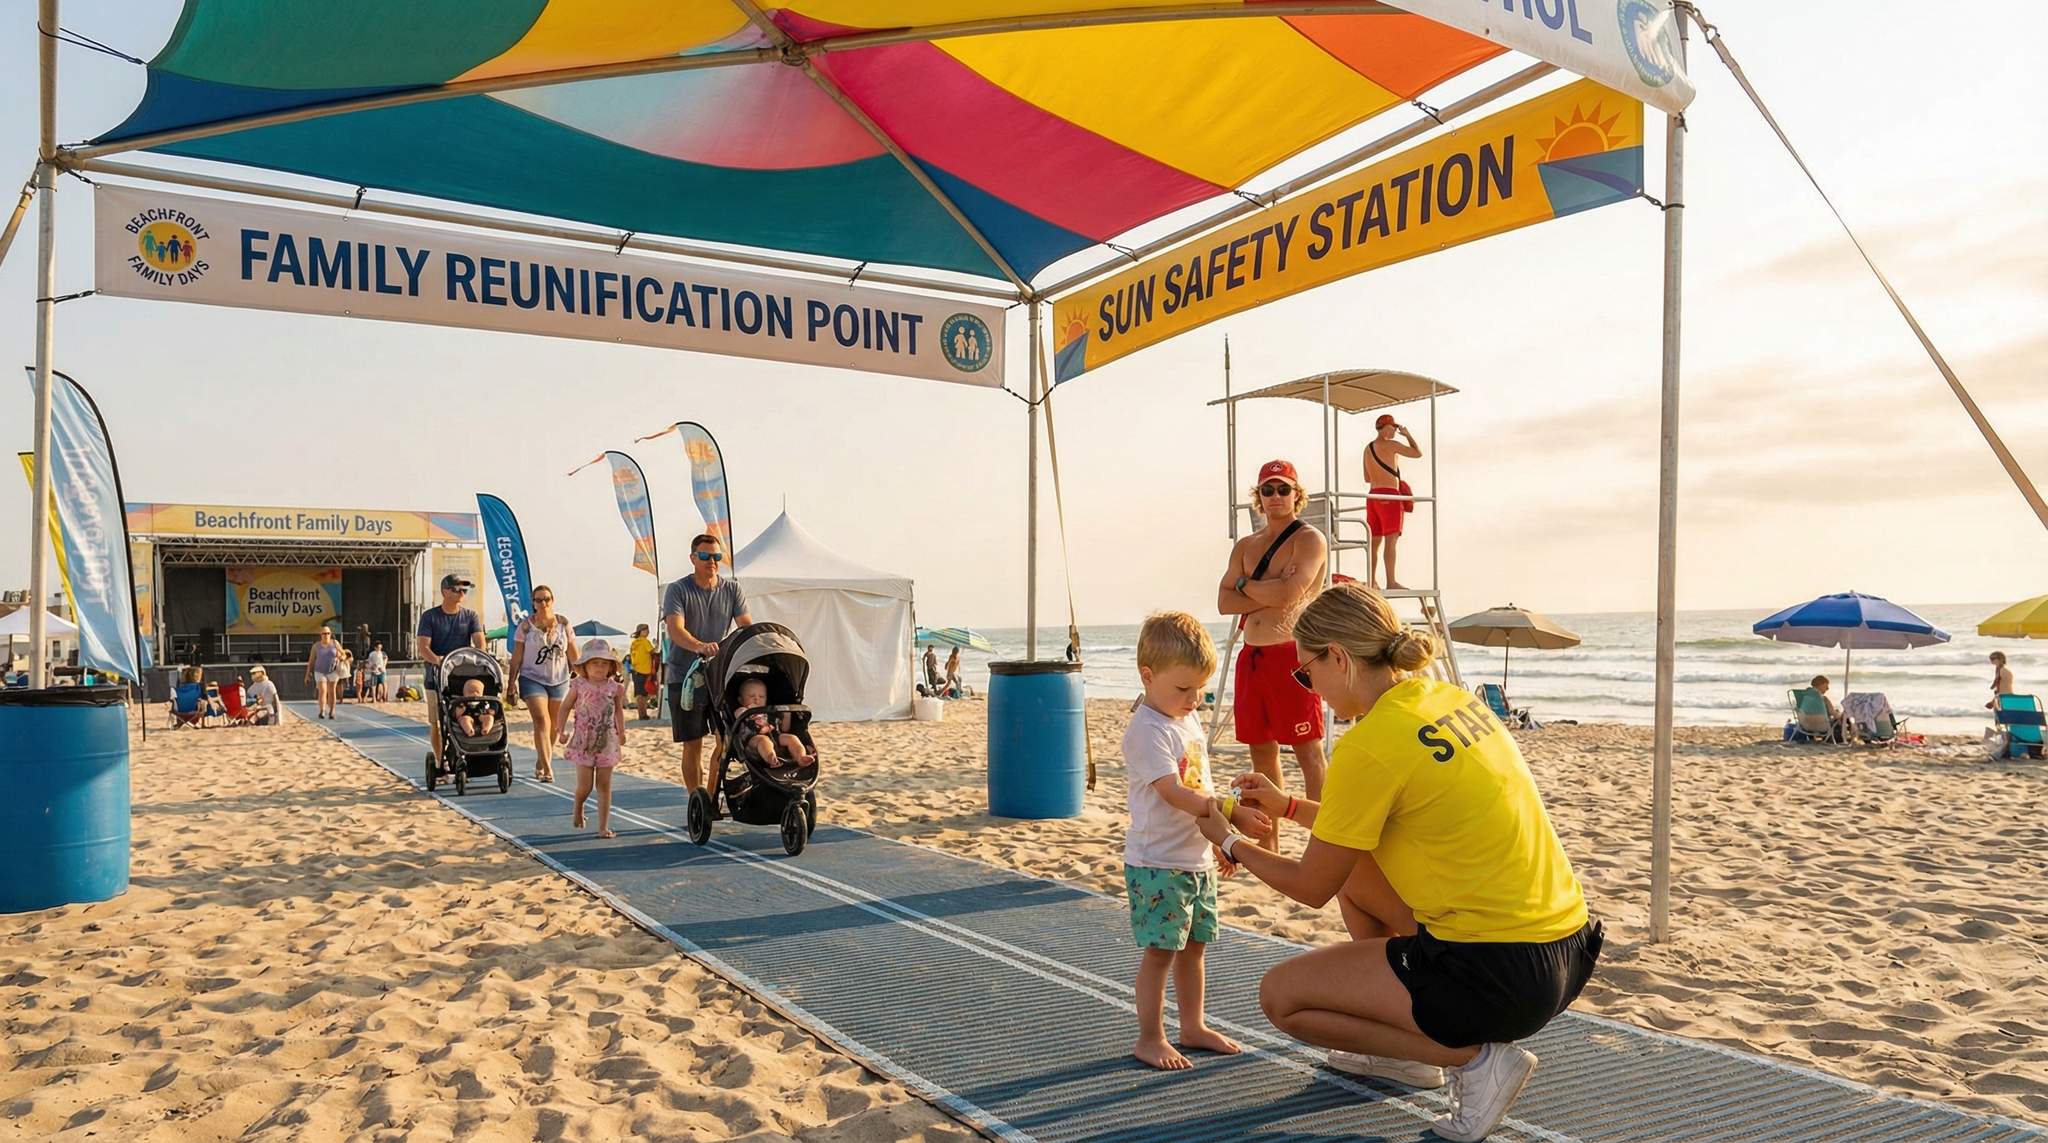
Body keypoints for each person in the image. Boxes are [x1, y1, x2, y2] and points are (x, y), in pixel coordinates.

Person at [1196, 583, 1600, 1142]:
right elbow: (1370, 826)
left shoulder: (1370, 744)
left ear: (1337, 656)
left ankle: (1471, 1059)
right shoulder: (1452, 700)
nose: (1308, 689)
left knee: (1282, 999)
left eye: (1304, 674)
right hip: (1567, 951)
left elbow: (1311, 885)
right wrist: (1289, 807)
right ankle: (1402, 1059)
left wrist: (1232, 842)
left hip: (1497, 974)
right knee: (1356, 873)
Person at [1122, 611, 1271, 1070]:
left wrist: (1216, 845)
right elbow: (1175, 793)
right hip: (1159, 861)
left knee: (1195, 947)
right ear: (1148, 677)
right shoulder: (1146, 731)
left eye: (1201, 689)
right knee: (1162, 952)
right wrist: (1230, 819)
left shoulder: (1186, 721)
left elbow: (1200, 785)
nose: (1194, 699)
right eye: (1183, 689)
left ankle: (1193, 1024)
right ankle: (1150, 1036)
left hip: (1195, 859)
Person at [1217, 459, 1331, 813]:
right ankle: (1271, 842)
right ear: (1259, 496)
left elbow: (1288, 596)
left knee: (1308, 753)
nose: (1276, 496)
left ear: (1297, 495)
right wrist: (1265, 586)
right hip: (1252, 656)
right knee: (1261, 754)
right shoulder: (1245, 545)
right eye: (1268, 490)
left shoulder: (1309, 539)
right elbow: (1223, 602)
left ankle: (1322, 839)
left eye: (1284, 489)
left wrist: (1244, 585)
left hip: (1291, 655)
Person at [665, 535, 752, 793]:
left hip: (717, 676)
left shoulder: (732, 589)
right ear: (693, 558)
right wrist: (700, 646)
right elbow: (675, 629)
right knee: (692, 743)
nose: (711, 561)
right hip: (684, 677)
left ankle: (711, 797)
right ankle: (696, 798)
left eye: (716, 556)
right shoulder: (678, 590)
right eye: (705, 556)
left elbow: (745, 624)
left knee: (725, 740)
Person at [557, 638, 627, 839]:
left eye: (604, 663)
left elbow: (618, 711)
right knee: (585, 786)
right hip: (583, 742)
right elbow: (565, 707)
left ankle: (603, 826)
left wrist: (621, 731)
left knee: (604, 785)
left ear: (611, 667)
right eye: (594, 663)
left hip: (607, 742)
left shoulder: (615, 688)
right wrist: (560, 730)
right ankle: (578, 806)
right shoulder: (578, 685)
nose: (599, 667)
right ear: (584, 667)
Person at [508, 585, 577, 783]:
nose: (543, 603)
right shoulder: (525, 627)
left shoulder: (564, 624)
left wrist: (586, 677)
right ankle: (547, 768)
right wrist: (511, 683)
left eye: (546, 599)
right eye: (538, 600)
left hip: (559, 679)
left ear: (552, 600)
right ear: (533, 603)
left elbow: (574, 655)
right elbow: (517, 656)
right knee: (541, 720)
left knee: (555, 725)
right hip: (532, 678)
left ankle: (542, 759)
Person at [417, 574, 486, 771]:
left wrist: (480, 656)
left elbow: (479, 641)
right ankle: (440, 761)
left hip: (461, 676)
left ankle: (467, 751)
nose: (462, 593)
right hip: (435, 676)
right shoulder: (430, 617)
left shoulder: (470, 616)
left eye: (465, 589)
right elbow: (423, 647)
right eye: (458, 589)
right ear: (445, 592)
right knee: (437, 722)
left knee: (465, 714)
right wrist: (439, 660)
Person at [1363, 414, 1422, 590]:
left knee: (1374, 542)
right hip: (1390, 496)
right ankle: (1391, 581)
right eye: (1394, 427)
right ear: (1386, 427)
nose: (1396, 430)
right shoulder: (1391, 445)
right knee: (1391, 540)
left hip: (1373, 496)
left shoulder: (1368, 448)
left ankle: (1372, 581)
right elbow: (1417, 453)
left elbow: (1367, 477)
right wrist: (1408, 435)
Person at [736, 676, 814, 767]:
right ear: (740, 700)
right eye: (751, 696)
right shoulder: (742, 710)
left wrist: (787, 715)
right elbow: (738, 715)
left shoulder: (769, 712)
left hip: (775, 736)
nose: (757, 699)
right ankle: (770, 758)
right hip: (753, 739)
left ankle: (801, 757)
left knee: (792, 738)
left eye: (761, 696)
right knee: (764, 740)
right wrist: (747, 710)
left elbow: (785, 728)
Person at [304, 626, 345, 719]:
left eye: (328, 633)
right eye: (324, 633)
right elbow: (311, 661)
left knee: (332, 691)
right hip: (320, 671)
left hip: (333, 670)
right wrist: (307, 674)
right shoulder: (316, 646)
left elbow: (344, 653)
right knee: (322, 690)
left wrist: (342, 657)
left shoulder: (335, 643)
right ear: (320, 635)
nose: (326, 635)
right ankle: (322, 710)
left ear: (330, 634)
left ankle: (332, 710)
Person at [629, 623, 659, 720]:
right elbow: (653, 652)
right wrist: (656, 645)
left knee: (639, 694)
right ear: (641, 632)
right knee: (644, 694)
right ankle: (643, 715)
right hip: (644, 671)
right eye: (646, 630)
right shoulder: (645, 641)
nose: (648, 632)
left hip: (635, 670)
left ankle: (641, 714)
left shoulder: (634, 642)